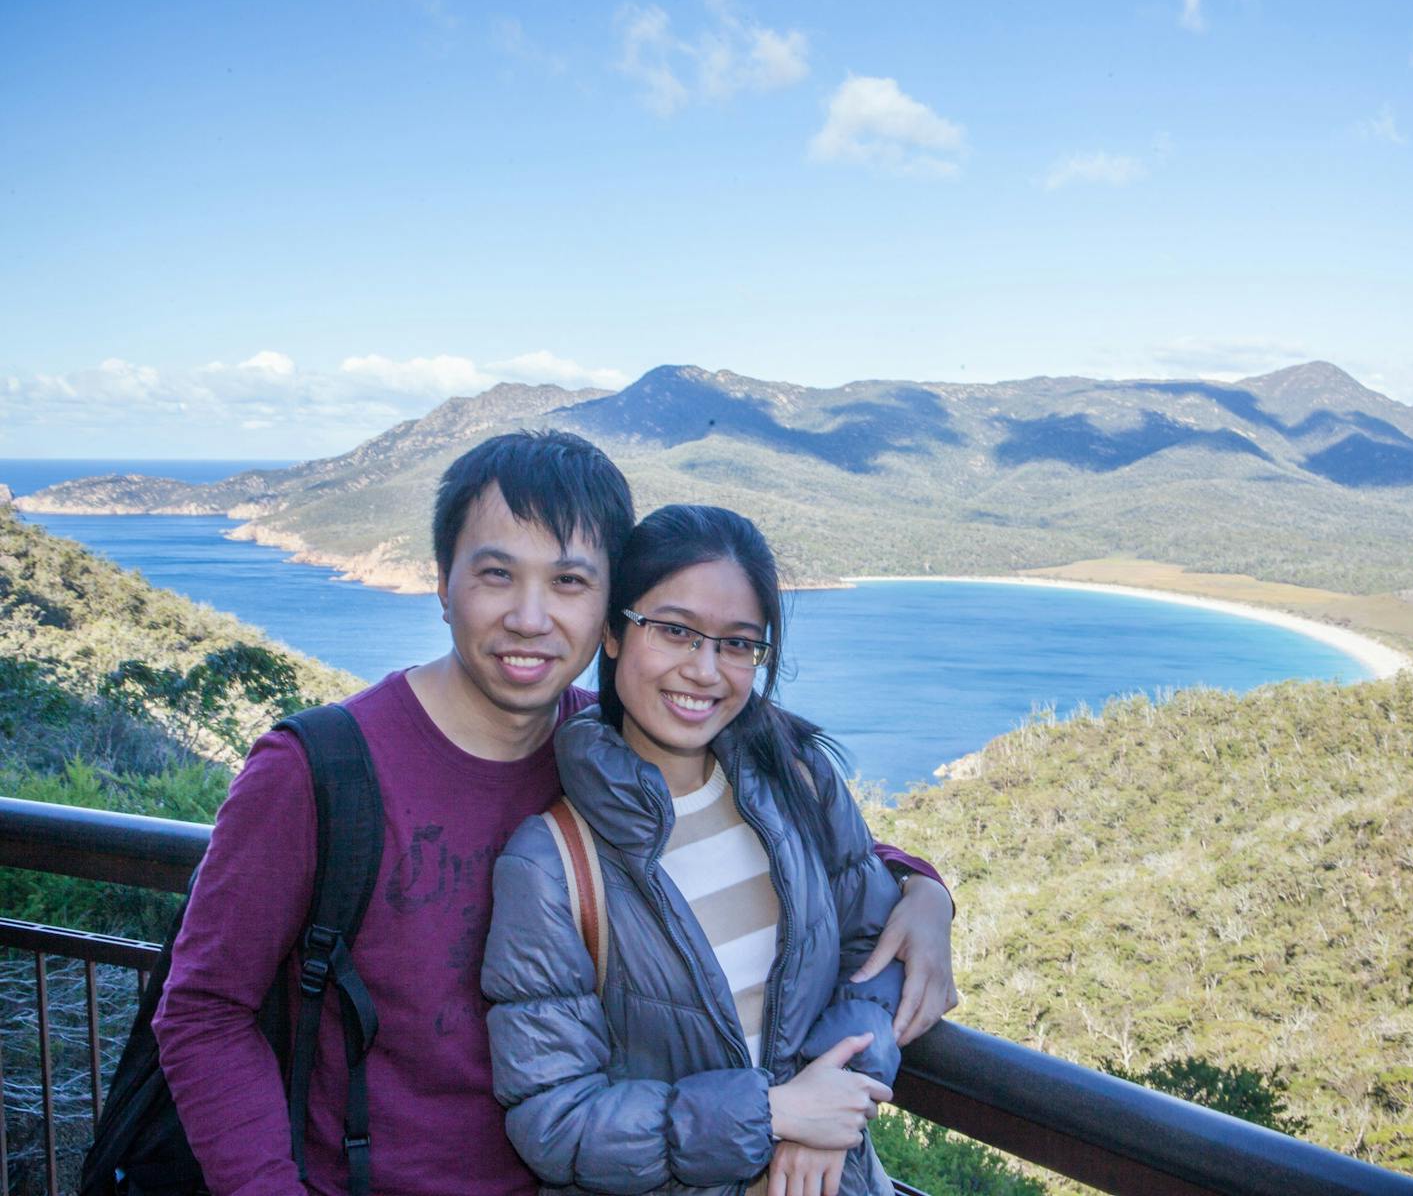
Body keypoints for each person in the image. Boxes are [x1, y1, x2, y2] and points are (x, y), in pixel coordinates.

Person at [153, 431, 956, 1196]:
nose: (531, 618)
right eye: (497, 574)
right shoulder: (317, 771)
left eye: (569, 582)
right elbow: (203, 1012)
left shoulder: (604, 749)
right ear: (442, 582)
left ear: (607, 612)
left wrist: (923, 890)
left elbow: (785, 842)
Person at [484, 504, 907, 1196]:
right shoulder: (553, 863)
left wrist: (839, 1090)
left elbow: (875, 951)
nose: (705, 670)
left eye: (738, 643)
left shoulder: (796, 777)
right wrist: (772, 1114)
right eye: (675, 631)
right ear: (616, 633)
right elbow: (554, 1120)